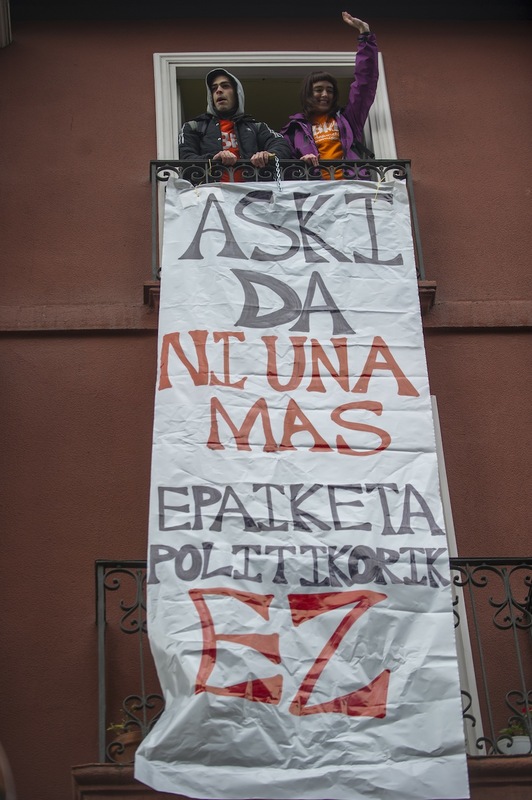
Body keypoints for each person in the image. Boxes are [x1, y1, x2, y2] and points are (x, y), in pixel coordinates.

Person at [280, 12, 378, 179]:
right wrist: (301, 161)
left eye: (330, 90)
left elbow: (364, 84)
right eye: (318, 89)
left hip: (350, 188)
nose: (325, 94)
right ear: (308, 94)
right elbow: (282, 165)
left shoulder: (348, 119)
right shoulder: (293, 130)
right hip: (314, 194)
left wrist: (365, 36)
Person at [178, 68, 292, 182]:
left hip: (253, 196)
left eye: (225, 86)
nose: (219, 90)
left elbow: (282, 144)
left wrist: (268, 155)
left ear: (237, 93)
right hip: (209, 196)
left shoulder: (256, 127)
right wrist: (213, 159)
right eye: (214, 88)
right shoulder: (194, 126)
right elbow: (185, 157)